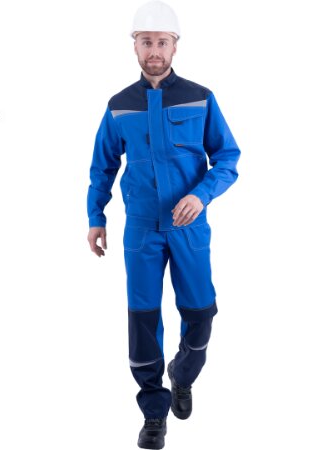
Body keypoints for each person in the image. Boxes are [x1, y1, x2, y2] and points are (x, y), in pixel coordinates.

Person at [86, 1, 241, 448]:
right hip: (140, 229)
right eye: (146, 42)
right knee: (142, 319)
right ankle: (154, 411)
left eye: (161, 42)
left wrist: (200, 194)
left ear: (175, 47)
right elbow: (102, 167)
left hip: (189, 227)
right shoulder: (119, 106)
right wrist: (96, 217)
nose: (154, 50)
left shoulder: (200, 97)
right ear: (134, 46)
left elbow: (228, 157)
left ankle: (183, 374)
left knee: (201, 313)